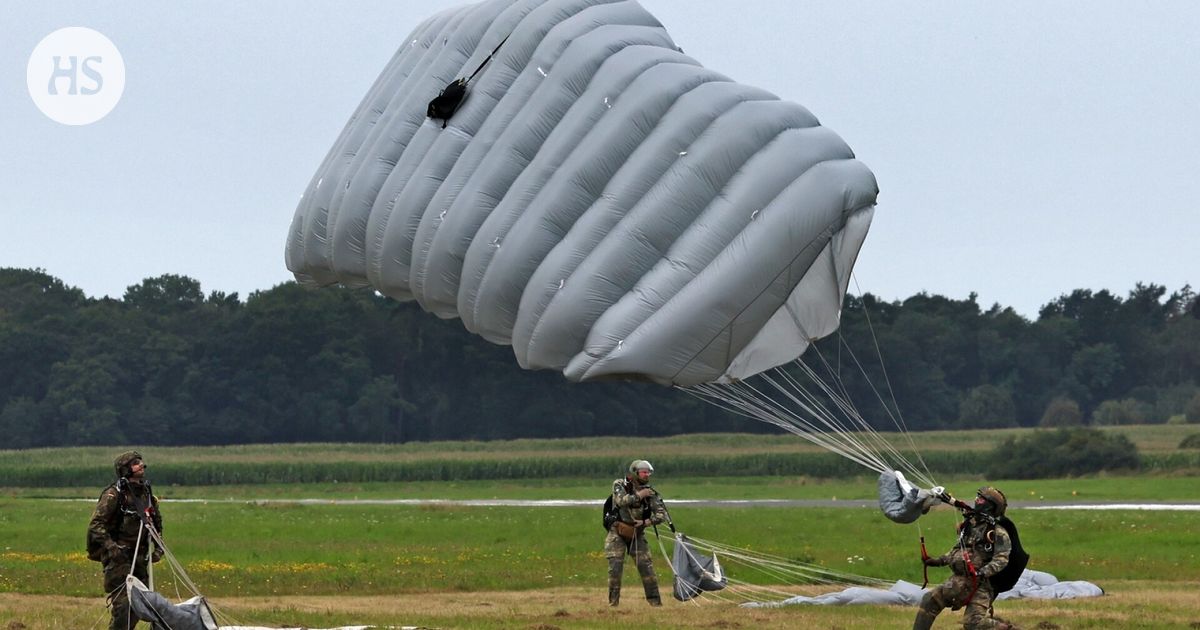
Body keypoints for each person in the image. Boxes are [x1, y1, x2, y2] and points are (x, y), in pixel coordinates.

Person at [914, 486, 1018, 630]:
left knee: (973, 623)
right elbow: (957, 551)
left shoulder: (997, 532)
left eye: (981, 499)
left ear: (990, 505)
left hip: (980, 585)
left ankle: (1007, 628)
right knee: (929, 600)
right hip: (958, 581)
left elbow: (1002, 559)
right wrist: (937, 561)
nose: (976, 500)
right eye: (977, 497)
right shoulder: (970, 525)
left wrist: (981, 572)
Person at [87, 450, 164, 630]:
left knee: (141, 605)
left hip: (140, 558)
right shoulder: (114, 495)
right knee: (124, 606)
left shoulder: (147, 495)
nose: (140, 465)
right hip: (119, 559)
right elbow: (96, 525)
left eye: (140, 461)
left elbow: (156, 525)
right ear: (125, 469)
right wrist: (111, 548)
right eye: (134, 462)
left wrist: (159, 550)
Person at [604, 459, 668, 607]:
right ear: (635, 473)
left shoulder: (650, 492)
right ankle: (613, 604)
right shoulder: (619, 484)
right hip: (617, 533)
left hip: (637, 533)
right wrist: (640, 495)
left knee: (647, 568)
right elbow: (621, 501)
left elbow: (661, 515)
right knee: (615, 569)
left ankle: (655, 603)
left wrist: (646, 522)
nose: (647, 475)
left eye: (648, 472)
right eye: (644, 472)